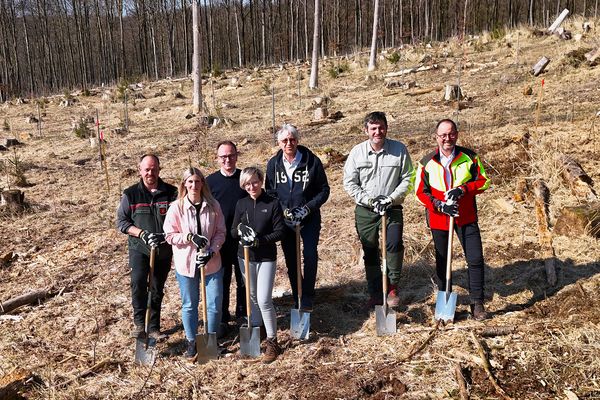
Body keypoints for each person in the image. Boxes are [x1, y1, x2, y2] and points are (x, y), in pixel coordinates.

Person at [415, 119, 490, 320]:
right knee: (442, 261)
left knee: (475, 259)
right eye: (443, 135)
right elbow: (420, 193)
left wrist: (463, 189)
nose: (447, 138)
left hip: (466, 217)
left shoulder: (470, 158)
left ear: (456, 134)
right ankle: (445, 303)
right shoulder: (426, 162)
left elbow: (484, 182)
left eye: (451, 134)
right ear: (436, 137)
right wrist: (439, 204)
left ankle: (477, 303)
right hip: (440, 218)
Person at [343, 112, 415, 309]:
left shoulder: (399, 150)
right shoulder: (357, 153)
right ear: (366, 130)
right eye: (373, 128)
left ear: (386, 128)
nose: (378, 132)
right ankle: (375, 291)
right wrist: (369, 200)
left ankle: (391, 286)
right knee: (370, 249)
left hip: (392, 208)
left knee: (393, 244)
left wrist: (390, 199)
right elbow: (349, 183)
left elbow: (409, 178)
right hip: (366, 210)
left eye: (381, 127)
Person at [265, 124, 330, 312]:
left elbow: (324, 190)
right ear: (279, 143)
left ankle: (308, 295)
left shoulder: (311, 161)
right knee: (292, 259)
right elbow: (270, 192)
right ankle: (298, 296)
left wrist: (308, 208)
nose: (289, 143)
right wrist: (283, 209)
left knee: (309, 255)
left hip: (309, 219)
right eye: (284, 140)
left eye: (292, 139)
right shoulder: (273, 164)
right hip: (286, 222)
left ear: (297, 140)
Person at [163, 167, 226, 358]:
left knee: (214, 304)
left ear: (202, 184)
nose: (194, 185)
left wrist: (212, 251)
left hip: (211, 263)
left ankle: (210, 341)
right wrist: (189, 237)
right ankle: (191, 341)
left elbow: (220, 233)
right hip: (186, 264)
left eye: (197, 181)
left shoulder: (213, 205)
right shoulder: (177, 207)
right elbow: (169, 235)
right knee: (190, 304)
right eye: (190, 182)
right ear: (184, 184)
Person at [116, 154, 178, 339]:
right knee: (138, 283)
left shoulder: (171, 193)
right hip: (139, 248)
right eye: (146, 169)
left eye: (153, 169)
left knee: (157, 287)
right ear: (140, 170)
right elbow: (122, 222)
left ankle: (153, 327)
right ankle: (139, 324)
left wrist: (165, 236)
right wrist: (142, 233)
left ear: (159, 169)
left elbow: (179, 218)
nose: (150, 173)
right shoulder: (131, 194)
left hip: (163, 250)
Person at [231, 167, 285, 363]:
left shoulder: (272, 204)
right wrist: (240, 230)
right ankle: (256, 334)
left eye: (254, 182)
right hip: (244, 257)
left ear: (261, 181)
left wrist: (258, 241)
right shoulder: (241, 204)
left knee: (263, 299)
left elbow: (280, 231)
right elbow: (233, 232)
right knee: (251, 297)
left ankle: (273, 341)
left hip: (265, 257)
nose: (251, 186)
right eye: (247, 184)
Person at [206, 141, 247, 327]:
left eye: (231, 155)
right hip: (220, 240)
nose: (227, 159)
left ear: (237, 155)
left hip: (241, 239)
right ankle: (222, 317)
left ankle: (242, 313)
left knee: (243, 278)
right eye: (223, 157)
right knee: (222, 278)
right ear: (218, 159)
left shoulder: (244, 178)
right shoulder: (210, 182)